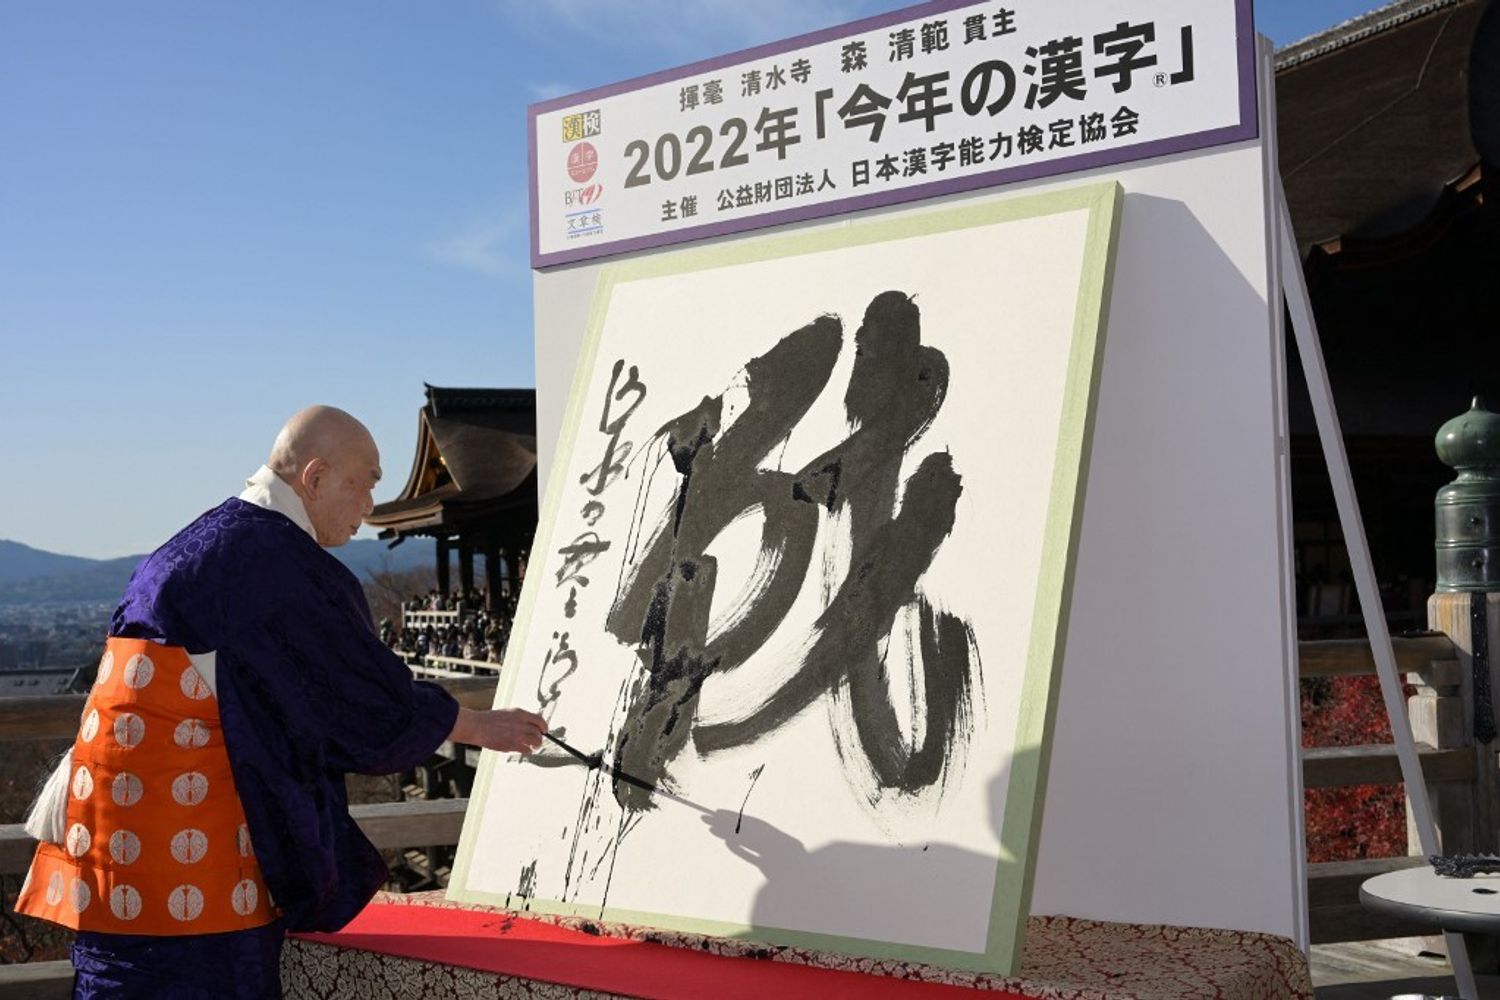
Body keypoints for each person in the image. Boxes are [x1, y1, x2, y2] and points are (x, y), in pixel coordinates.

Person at [16, 405, 547, 998]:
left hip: (110, 830)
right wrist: (478, 725)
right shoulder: (274, 562)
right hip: (187, 843)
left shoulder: (202, 542)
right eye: (363, 483)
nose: (370, 505)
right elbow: (363, 703)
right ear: (315, 477)